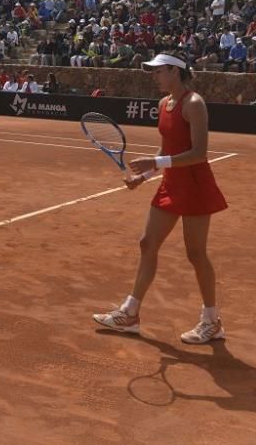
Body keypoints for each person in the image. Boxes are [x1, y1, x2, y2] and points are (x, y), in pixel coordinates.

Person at [93, 51, 228, 345]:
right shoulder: (163, 104)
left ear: (174, 72)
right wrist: (142, 178)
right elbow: (166, 150)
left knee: (195, 253)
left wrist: (156, 164)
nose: (153, 76)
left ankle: (212, 321)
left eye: (157, 71)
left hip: (194, 185)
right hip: (171, 183)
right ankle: (130, 314)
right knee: (147, 243)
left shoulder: (194, 104)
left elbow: (198, 153)